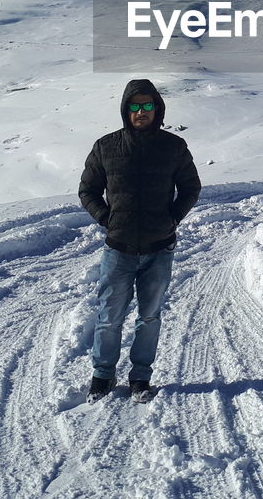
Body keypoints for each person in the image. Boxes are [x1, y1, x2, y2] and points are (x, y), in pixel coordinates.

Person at [78, 78, 201, 402]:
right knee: (109, 317)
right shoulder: (106, 146)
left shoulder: (174, 147)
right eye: (135, 106)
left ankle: (140, 378)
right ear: (125, 109)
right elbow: (87, 190)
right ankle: (102, 376)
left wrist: (172, 218)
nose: (141, 111)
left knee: (149, 317)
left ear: (157, 109)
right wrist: (107, 219)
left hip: (159, 250)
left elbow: (190, 188)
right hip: (118, 249)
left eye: (148, 106)